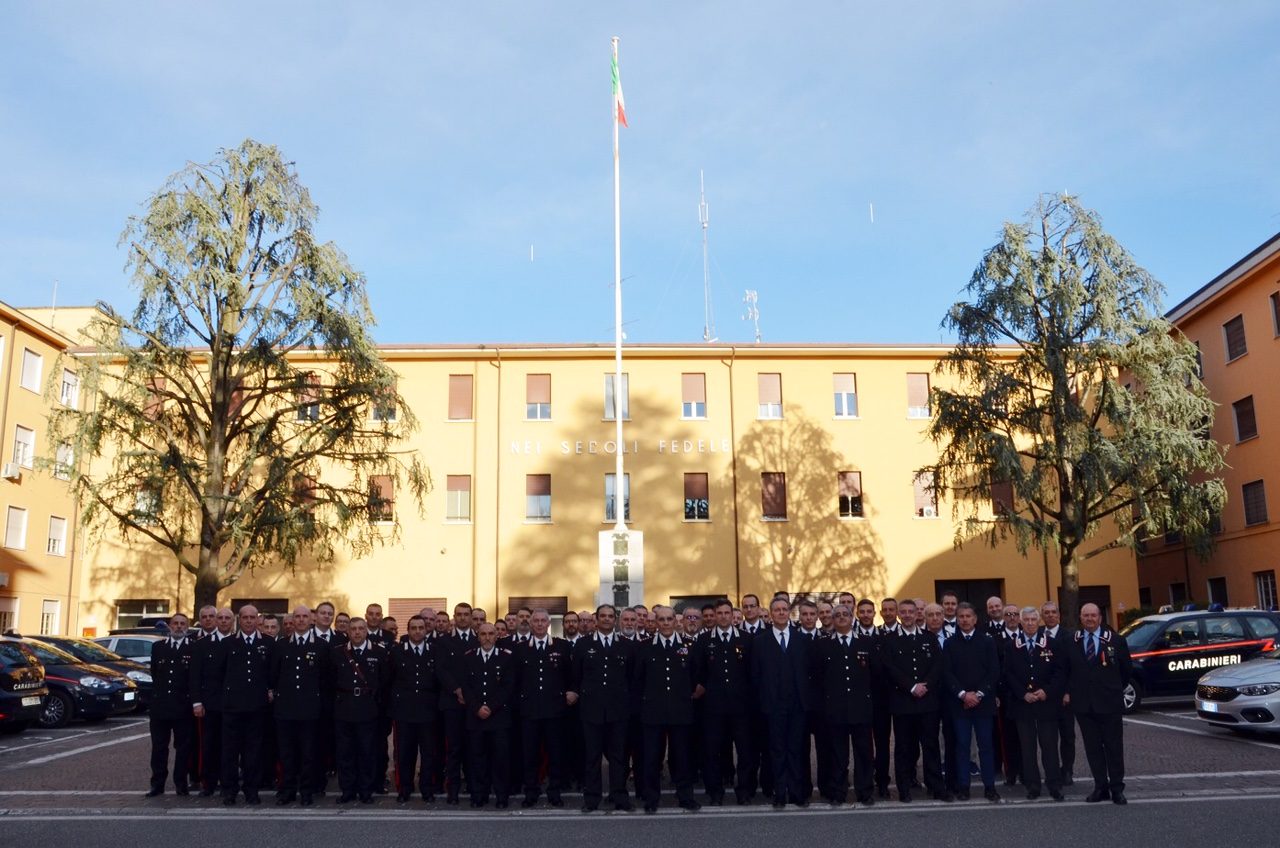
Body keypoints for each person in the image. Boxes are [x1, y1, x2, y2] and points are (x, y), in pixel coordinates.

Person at [634, 605, 702, 813]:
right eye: (661, 620)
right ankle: (651, 798)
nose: (665, 623)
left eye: (669, 619)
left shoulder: (689, 646)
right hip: (653, 711)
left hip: (680, 711)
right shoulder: (644, 647)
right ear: (656, 622)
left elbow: (696, 676)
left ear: (675, 621)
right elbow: (638, 680)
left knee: (682, 757)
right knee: (652, 757)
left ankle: (685, 796)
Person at [569, 604, 635, 813]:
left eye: (610, 616)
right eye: (603, 616)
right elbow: (576, 676)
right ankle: (591, 799)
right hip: (591, 710)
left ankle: (619, 796)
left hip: (618, 710)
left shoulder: (626, 645)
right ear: (596, 620)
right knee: (592, 757)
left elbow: (631, 678)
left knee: (618, 757)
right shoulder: (583, 644)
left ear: (615, 620)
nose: (607, 619)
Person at [1065, 603, 1132, 805]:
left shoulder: (1116, 640)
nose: (1089, 619)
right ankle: (1100, 787)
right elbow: (1067, 671)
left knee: (1113, 747)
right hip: (1084, 705)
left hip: (1109, 704)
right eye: (1086, 615)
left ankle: (1117, 788)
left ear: (1100, 618)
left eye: (1093, 615)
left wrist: (1112, 689)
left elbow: (1126, 671)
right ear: (1081, 618)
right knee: (1093, 749)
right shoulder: (1072, 641)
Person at [884, 600, 950, 803]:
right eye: (903, 612)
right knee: (904, 749)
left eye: (910, 612)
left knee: (931, 746)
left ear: (916, 614)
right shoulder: (890, 640)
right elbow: (890, 668)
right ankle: (904, 789)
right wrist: (911, 687)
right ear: (899, 615)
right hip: (903, 703)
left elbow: (938, 665)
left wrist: (925, 685)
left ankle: (936, 787)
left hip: (927, 703)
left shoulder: (929, 638)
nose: (907, 615)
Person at [810, 604, 876, 806]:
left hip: (861, 708)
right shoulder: (822, 645)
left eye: (845, 614)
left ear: (852, 617)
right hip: (835, 709)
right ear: (832, 619)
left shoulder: (866, 642)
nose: (841, 618)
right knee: (838, 755)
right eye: (837, 615)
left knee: (864, 753)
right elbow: (817, 678)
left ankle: (865, 791)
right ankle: (838, 792)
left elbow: (875, 675)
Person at [752, 597, 814, 809]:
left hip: (797, 705)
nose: (780, 613)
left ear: (789, 613)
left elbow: (809, 673)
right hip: (773, 706)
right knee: (776, 751)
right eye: (776, 610)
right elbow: (755, 676)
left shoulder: (802, 640)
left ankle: (797, 792)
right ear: (771, 614)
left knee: (796, 750)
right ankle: (779, 793)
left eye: (784, 609)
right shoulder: (760, 642)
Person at [693, 599, 754, 806]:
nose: (723, 616)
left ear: (733, 614)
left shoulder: (746, 639)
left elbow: (752, 673)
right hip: (713, 707)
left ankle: (743, 791)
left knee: (745, 751)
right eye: (719, 613)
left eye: (727, 612)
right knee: (712, 752)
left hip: (741, 707)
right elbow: (699, 671)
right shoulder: (704, 640)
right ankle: (715, 792)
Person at [1002, 607, 1065, 801]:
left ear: (1039, 622)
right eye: (1026, 620)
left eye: (1033, 620)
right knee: (1027, 749)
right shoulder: (1012, 646)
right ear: (1021, 622)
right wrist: (1022, 694)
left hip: (1046, 704)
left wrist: (1047, 691)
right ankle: (1033, 785)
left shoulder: (1052, 644)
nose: (1030, 623)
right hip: (1023, 705)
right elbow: (1007, 673)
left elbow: (1060, 672)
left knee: (1049, 747)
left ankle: (1054, 785)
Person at [514, 608, 572, 808]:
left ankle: (554, 792)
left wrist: (571, 692)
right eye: (536, 621)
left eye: (543, 621)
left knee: (556, 753)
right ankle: (531, 791)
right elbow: (515, 680)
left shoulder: (562, 646)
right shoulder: (520, 649)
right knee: (530, 754)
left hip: (554, 710)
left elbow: (570, 675)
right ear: (530, 624)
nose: (539, 624)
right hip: (529, 710)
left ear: (548, 624)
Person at [942, 602, 1000, 803]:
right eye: (961, 617)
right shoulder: (950, 643)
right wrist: (963, 694)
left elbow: (994, 671)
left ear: (975, 619)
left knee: (986, 746)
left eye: (968, 616)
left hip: (983, 703)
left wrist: (979, 694)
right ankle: (963, 786)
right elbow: (947, 672)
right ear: (957, 620)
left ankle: (990, 786)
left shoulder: (987, 641)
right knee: (962, 747)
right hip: (960, 704)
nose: (965, 620)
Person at [270, 605, 325, 807]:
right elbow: (273, 675)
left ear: (311, 620)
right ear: (292, 620)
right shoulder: (281, 645)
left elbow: (325, 678)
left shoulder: (320, 646)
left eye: (304, 616)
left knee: (308, 754)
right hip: (285, 709)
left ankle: (307, 791)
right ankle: (288, 790)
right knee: (286, 753)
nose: (301, 620)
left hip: (310, 710)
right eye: (297, 616)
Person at [220, 605, 274, 806]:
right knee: (230, 752)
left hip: (257, 707)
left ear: (258, 619)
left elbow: (272, 672)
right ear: (239, 619)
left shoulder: (267, 643)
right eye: (245, 617)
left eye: (252, 617)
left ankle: (252, 790)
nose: (249, 621)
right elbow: (220, 674)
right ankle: (230, 790)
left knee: (254, 752)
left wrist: (270, 690)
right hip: (232, 707)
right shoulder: (227, 643)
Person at [331, 617, 387, 804]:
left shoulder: (379, 652)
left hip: (367, 708)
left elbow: (385, 680)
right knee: (345, 752)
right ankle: (347, 790)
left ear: (366, 631)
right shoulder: (337, 652)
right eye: (353, 629)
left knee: (367, 751)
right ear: (348, 631)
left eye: (361, 629)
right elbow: (330, 680)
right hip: (344, 708)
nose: (357, 632)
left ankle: (365, 790)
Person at [461, 622, 516, 808]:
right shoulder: (468, 657)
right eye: (483, 634)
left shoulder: (506, 657)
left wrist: (490, 707)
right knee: (477, 758)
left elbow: (508, 687)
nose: (487, 637)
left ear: (496, 636)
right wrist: (477, 707)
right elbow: (466, 687)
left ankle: (501, 796)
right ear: (478, 636)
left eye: (491, 634)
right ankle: (479, 795)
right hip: (475, 717)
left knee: (500, 759)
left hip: (498, 717)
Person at [389, 615, 439, 803]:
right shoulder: (397, 652)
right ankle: (405, 788)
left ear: (426, 630)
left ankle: (427, 788)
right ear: (408, 630)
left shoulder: (434, 651)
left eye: (421, 628)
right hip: (404, 711)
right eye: (414, 628)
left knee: (428, 753)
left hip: (428, 711)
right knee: (404, 753)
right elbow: (390, 679)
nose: (417, 631)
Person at [147, 612, 194, 798]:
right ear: (170, 626)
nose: (179, 627)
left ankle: (181, 783)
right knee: (159, 748)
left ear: (187, 627)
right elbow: (155, 673)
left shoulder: (193, 647)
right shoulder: (158, 647)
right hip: (160, 707)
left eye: (183, 624)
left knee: (183, 748)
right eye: (175, 623)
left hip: (183, 707)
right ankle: (157, 784)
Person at [436, 602, 478, 804]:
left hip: (473, 703)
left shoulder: (478, 639)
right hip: (451, 702)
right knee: (453, 748)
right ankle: (452, 790)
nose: (462, 618)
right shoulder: (444, 641)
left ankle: (473, 786)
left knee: (473, 747)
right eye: (459, 614)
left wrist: (468, 694)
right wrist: (457, 690)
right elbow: (441, 670)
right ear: (454, 616)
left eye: (466, 614)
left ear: (471, 617)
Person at [189, 606, 234, 796]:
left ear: (232, 621)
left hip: (234, 704)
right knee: (210, 745)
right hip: (211, 704)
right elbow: (195, 676)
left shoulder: (238, 642)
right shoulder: (202, 645)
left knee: (230, 746)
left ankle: (228, 782)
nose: (223, 621)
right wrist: (197, 702)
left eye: (227, 618)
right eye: (220, 618)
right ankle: (209, 782)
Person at [1041, 601, 1075, 784]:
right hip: (1045, 696)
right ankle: (1051, 771)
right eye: (1046, 613)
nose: (1050, 615)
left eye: (1053, 612)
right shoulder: (1037, 634)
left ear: (1059, 615)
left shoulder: (1069, 636)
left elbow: (1073, 667)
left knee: (1068, 736)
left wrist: (1068, 691)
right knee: (1048, 738)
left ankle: (1067, 770)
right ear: (1042, 616)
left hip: (1064, 697)